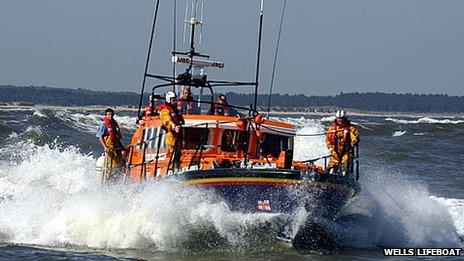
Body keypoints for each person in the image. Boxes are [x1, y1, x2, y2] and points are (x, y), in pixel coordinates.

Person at [325, 110, 359, 174]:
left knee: (345, 165)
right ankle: (327, 176)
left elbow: (355, 137)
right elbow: (327, 139)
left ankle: (346, 177)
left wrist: (354, 142)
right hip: (335, 151)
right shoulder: (332, 129)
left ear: (345, 118)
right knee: (331, 165)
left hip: (346, 151)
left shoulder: (350, 128)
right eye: (339, 118)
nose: (340, 120)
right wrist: (330, 147)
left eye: (342, 118)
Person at [158, 91, 185, 171]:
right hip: (171, 135)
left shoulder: (174, 109)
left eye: (175, 99)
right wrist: (173, 126)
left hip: (178, 135)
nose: (175, 101)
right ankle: (170, 168)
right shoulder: (165, 110)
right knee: (172, 152)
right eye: (173, 100)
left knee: (177, 152)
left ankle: (176, 167)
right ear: (168, 99)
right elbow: (167, 121)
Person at [96, 108, 125, 179]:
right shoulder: (103, 124)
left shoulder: (114, 124)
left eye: (112, 114)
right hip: (109, 146)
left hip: (116, 145)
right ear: (106, 115)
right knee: (110, 163)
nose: (110, 116)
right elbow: (100, 136)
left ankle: (118, 178)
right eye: (109, 114)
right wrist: (105, 147)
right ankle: (108, 178)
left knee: (120, 161)